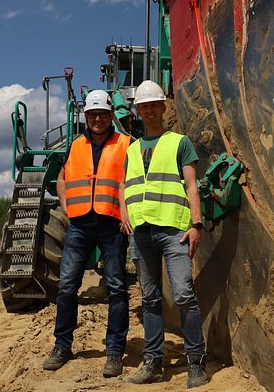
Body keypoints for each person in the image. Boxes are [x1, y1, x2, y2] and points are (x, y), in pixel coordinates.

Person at [120, 80, 208, 389]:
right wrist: (123, 214)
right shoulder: (132, 150)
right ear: (139, 111)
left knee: (184, 294)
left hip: (174, 232)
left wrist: (196, 225)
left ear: (162, 107)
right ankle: (153, 363)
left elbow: (192, 186)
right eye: (144, 107)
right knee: (150, 298)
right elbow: (124, 186)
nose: (149, 111)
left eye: (153, 105)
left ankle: (196, 362)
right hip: (142, 234)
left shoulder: (179, 143)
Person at [43, 90, 130, 378]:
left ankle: (115, 351)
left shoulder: (126, 144)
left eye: (102, 115)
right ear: (86, 117)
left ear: (110, 116)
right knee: (67, 286)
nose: (97, 119)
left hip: (112, 225)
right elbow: (62, 178)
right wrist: (67, 206)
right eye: (92, 115)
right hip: (79, 226)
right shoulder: (75, 145)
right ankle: (62, 346)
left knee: (117, 288)